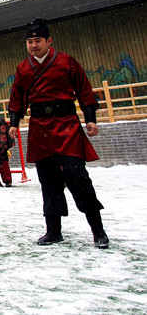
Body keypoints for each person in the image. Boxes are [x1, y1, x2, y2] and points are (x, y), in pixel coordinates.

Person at [8, 18, 108, 248]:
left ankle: (98, 230)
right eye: (30, 41)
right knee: (48, 180)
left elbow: (83, 88)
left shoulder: (65, 61)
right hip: (40, 126)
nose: (33, 45)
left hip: (66, 123)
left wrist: (90, 119)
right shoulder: (23, 68)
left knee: (77, 176)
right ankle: (53, 231)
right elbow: (17, 96)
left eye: (38, 40)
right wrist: (14, 122)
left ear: (49, 41)